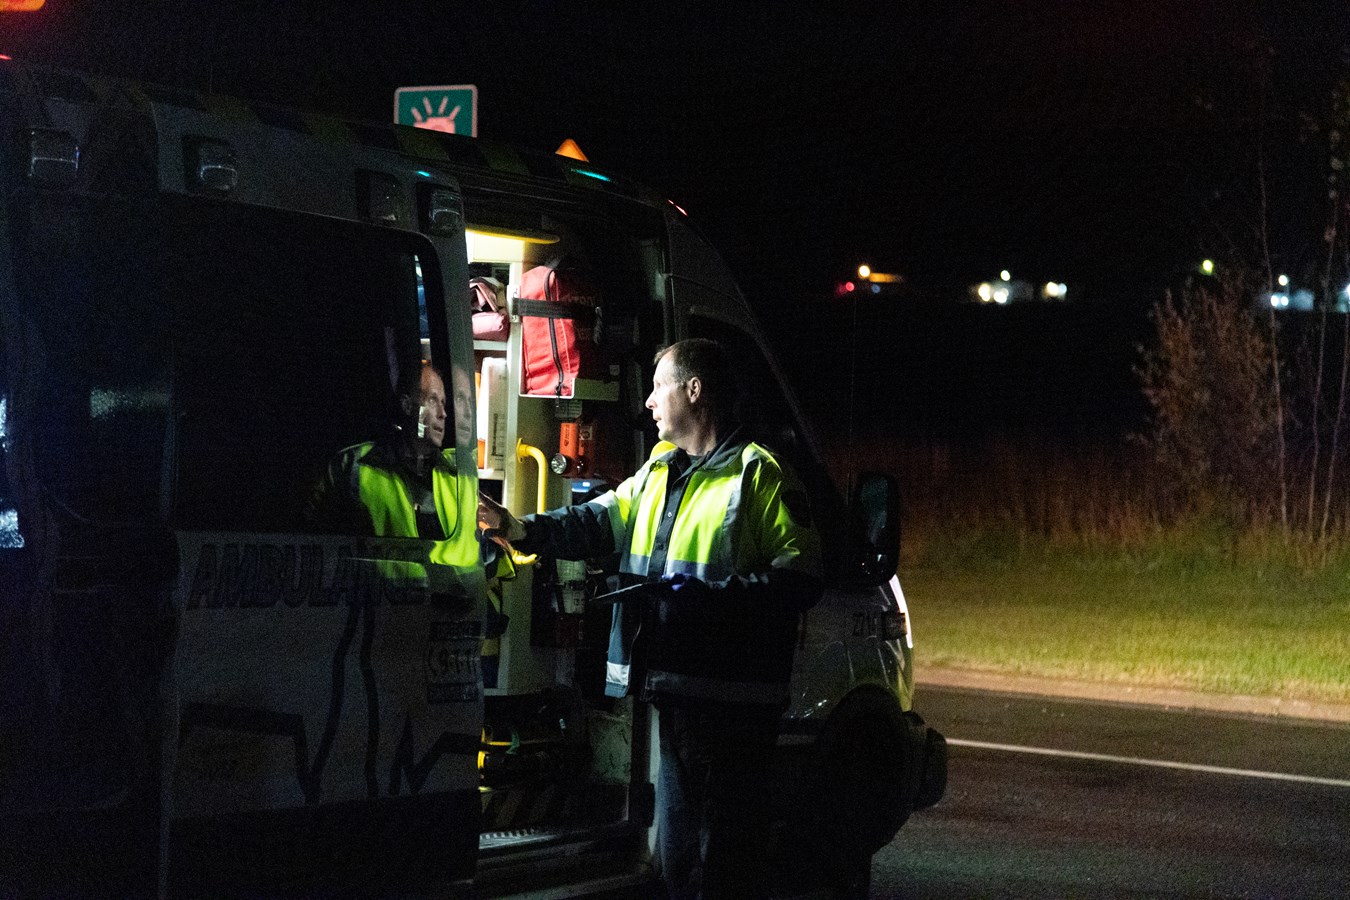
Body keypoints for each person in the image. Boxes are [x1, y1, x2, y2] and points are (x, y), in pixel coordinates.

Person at [478, 338, 823, 899]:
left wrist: (708, 596)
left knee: (720, 853)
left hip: (732, 705)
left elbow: (801, 580)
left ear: (695, 391)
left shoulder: (759, 475)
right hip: (677, 689)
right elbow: (596, 522)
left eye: (660, 386)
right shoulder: (660, 469)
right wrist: (519, 528)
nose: (648, 401)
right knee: (682, 851)